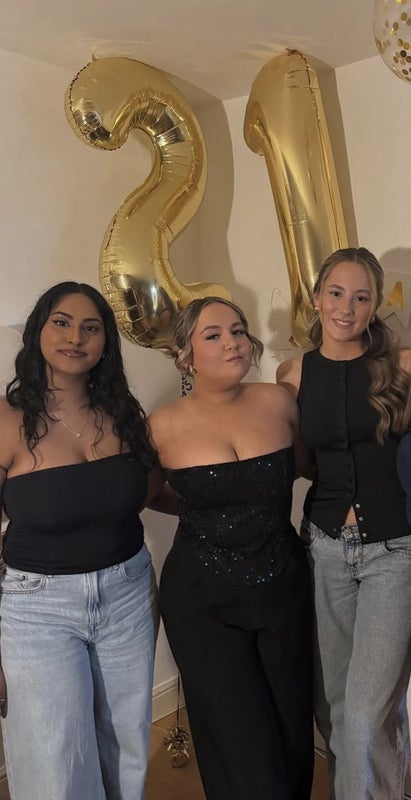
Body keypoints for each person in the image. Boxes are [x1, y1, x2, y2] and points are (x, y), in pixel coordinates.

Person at [148, 296, 314, 800]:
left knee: (291, 729)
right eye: (214, 335)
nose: (232, 343)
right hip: (202, 601)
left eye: (238, 330)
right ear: (186, 355)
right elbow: (150, 494)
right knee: (238, 739)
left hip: (283, 587)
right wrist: (209, 516)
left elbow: (304, 467)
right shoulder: (160, 426)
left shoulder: (279, 402)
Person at [0, 282, 160, 800]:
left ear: (105, 341)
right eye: (62, 323)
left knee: (126, 751)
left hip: (129, 592)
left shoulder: (124, 413)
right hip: (37, 609)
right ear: (38, 332)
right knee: (56, 767)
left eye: (91, 327)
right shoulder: (5, 421)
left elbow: (151, 487)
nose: (75, 337)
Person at [277, 247, 411, 800]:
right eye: (336, 293)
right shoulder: (292, 373)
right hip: (325, 547)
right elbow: (302, 461)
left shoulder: (401, 366)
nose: (346, 308)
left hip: (394, 551)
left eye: (361, 297)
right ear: (316, 298)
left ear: (375, 305)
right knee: (335, 708)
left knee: (366, 713)